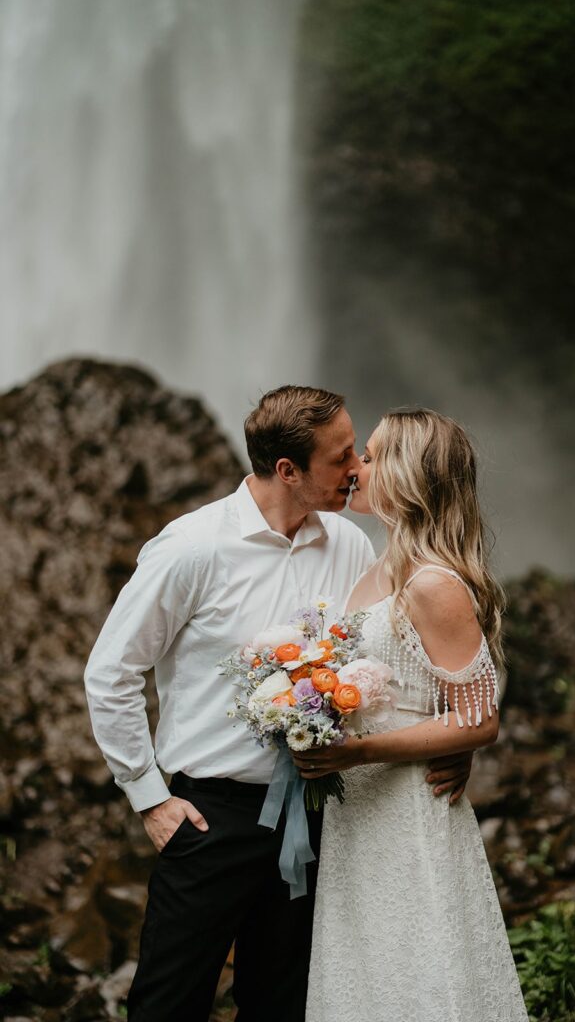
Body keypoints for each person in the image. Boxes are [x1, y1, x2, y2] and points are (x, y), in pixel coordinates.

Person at [83, 386, 471, 1022]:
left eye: (356, 451)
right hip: (210, 816)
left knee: (285, 1002)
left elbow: (399, 657)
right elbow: (111, 671)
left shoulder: (349, 544)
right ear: (287, 470)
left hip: (321, 813)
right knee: (169, 1000)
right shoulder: (191, 547)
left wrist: (454, 739)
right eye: (342, 456)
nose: (357, 469)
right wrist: (148, 797)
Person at [297, 409, 529, 1022]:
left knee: (420, 963)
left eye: (370, 456)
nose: (356, 470)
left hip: (405, 803)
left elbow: (480, 718)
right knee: (366, 969)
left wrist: (359, 752)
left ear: (408, 473)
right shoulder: (378, 568)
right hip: (359, 811)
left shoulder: (432, 582)